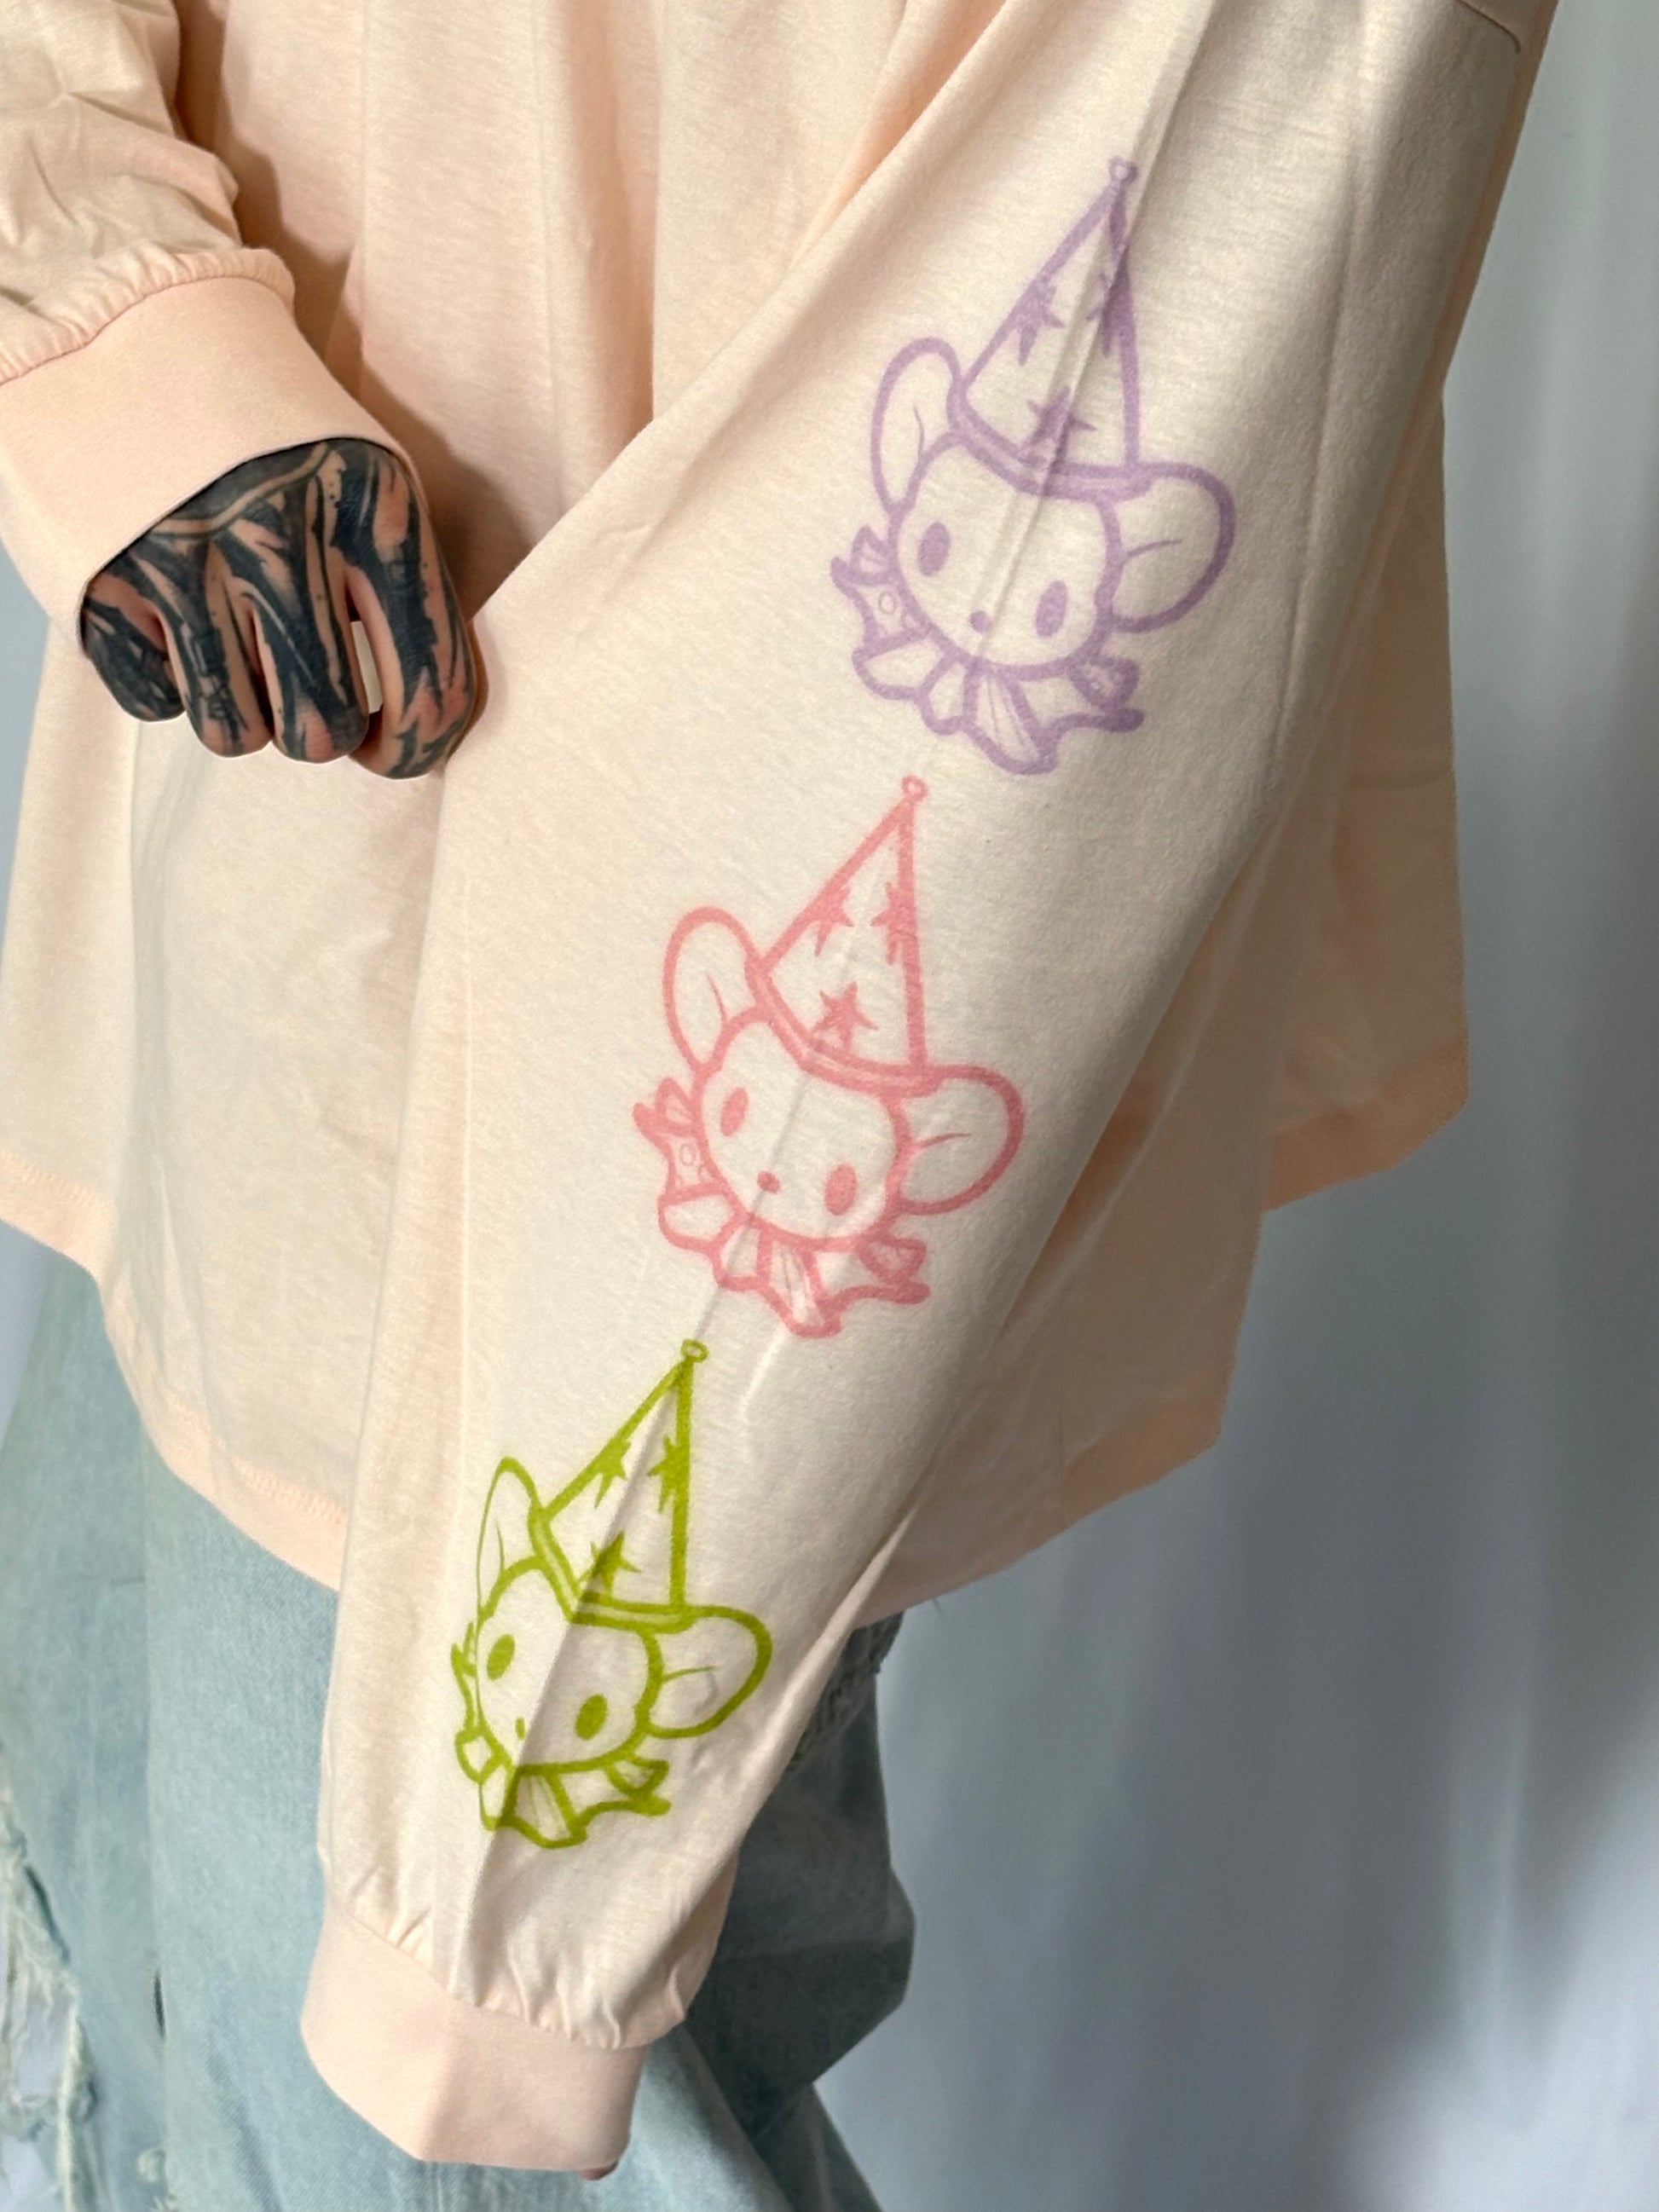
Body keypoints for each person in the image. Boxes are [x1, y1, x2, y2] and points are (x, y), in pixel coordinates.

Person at [0, 1, 1557, 2205]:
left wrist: (496, 1911)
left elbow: (1077, 453)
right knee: (124, 1955)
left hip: (625, 1154)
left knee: (383, 2112)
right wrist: (130, 331)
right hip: (228, 884)